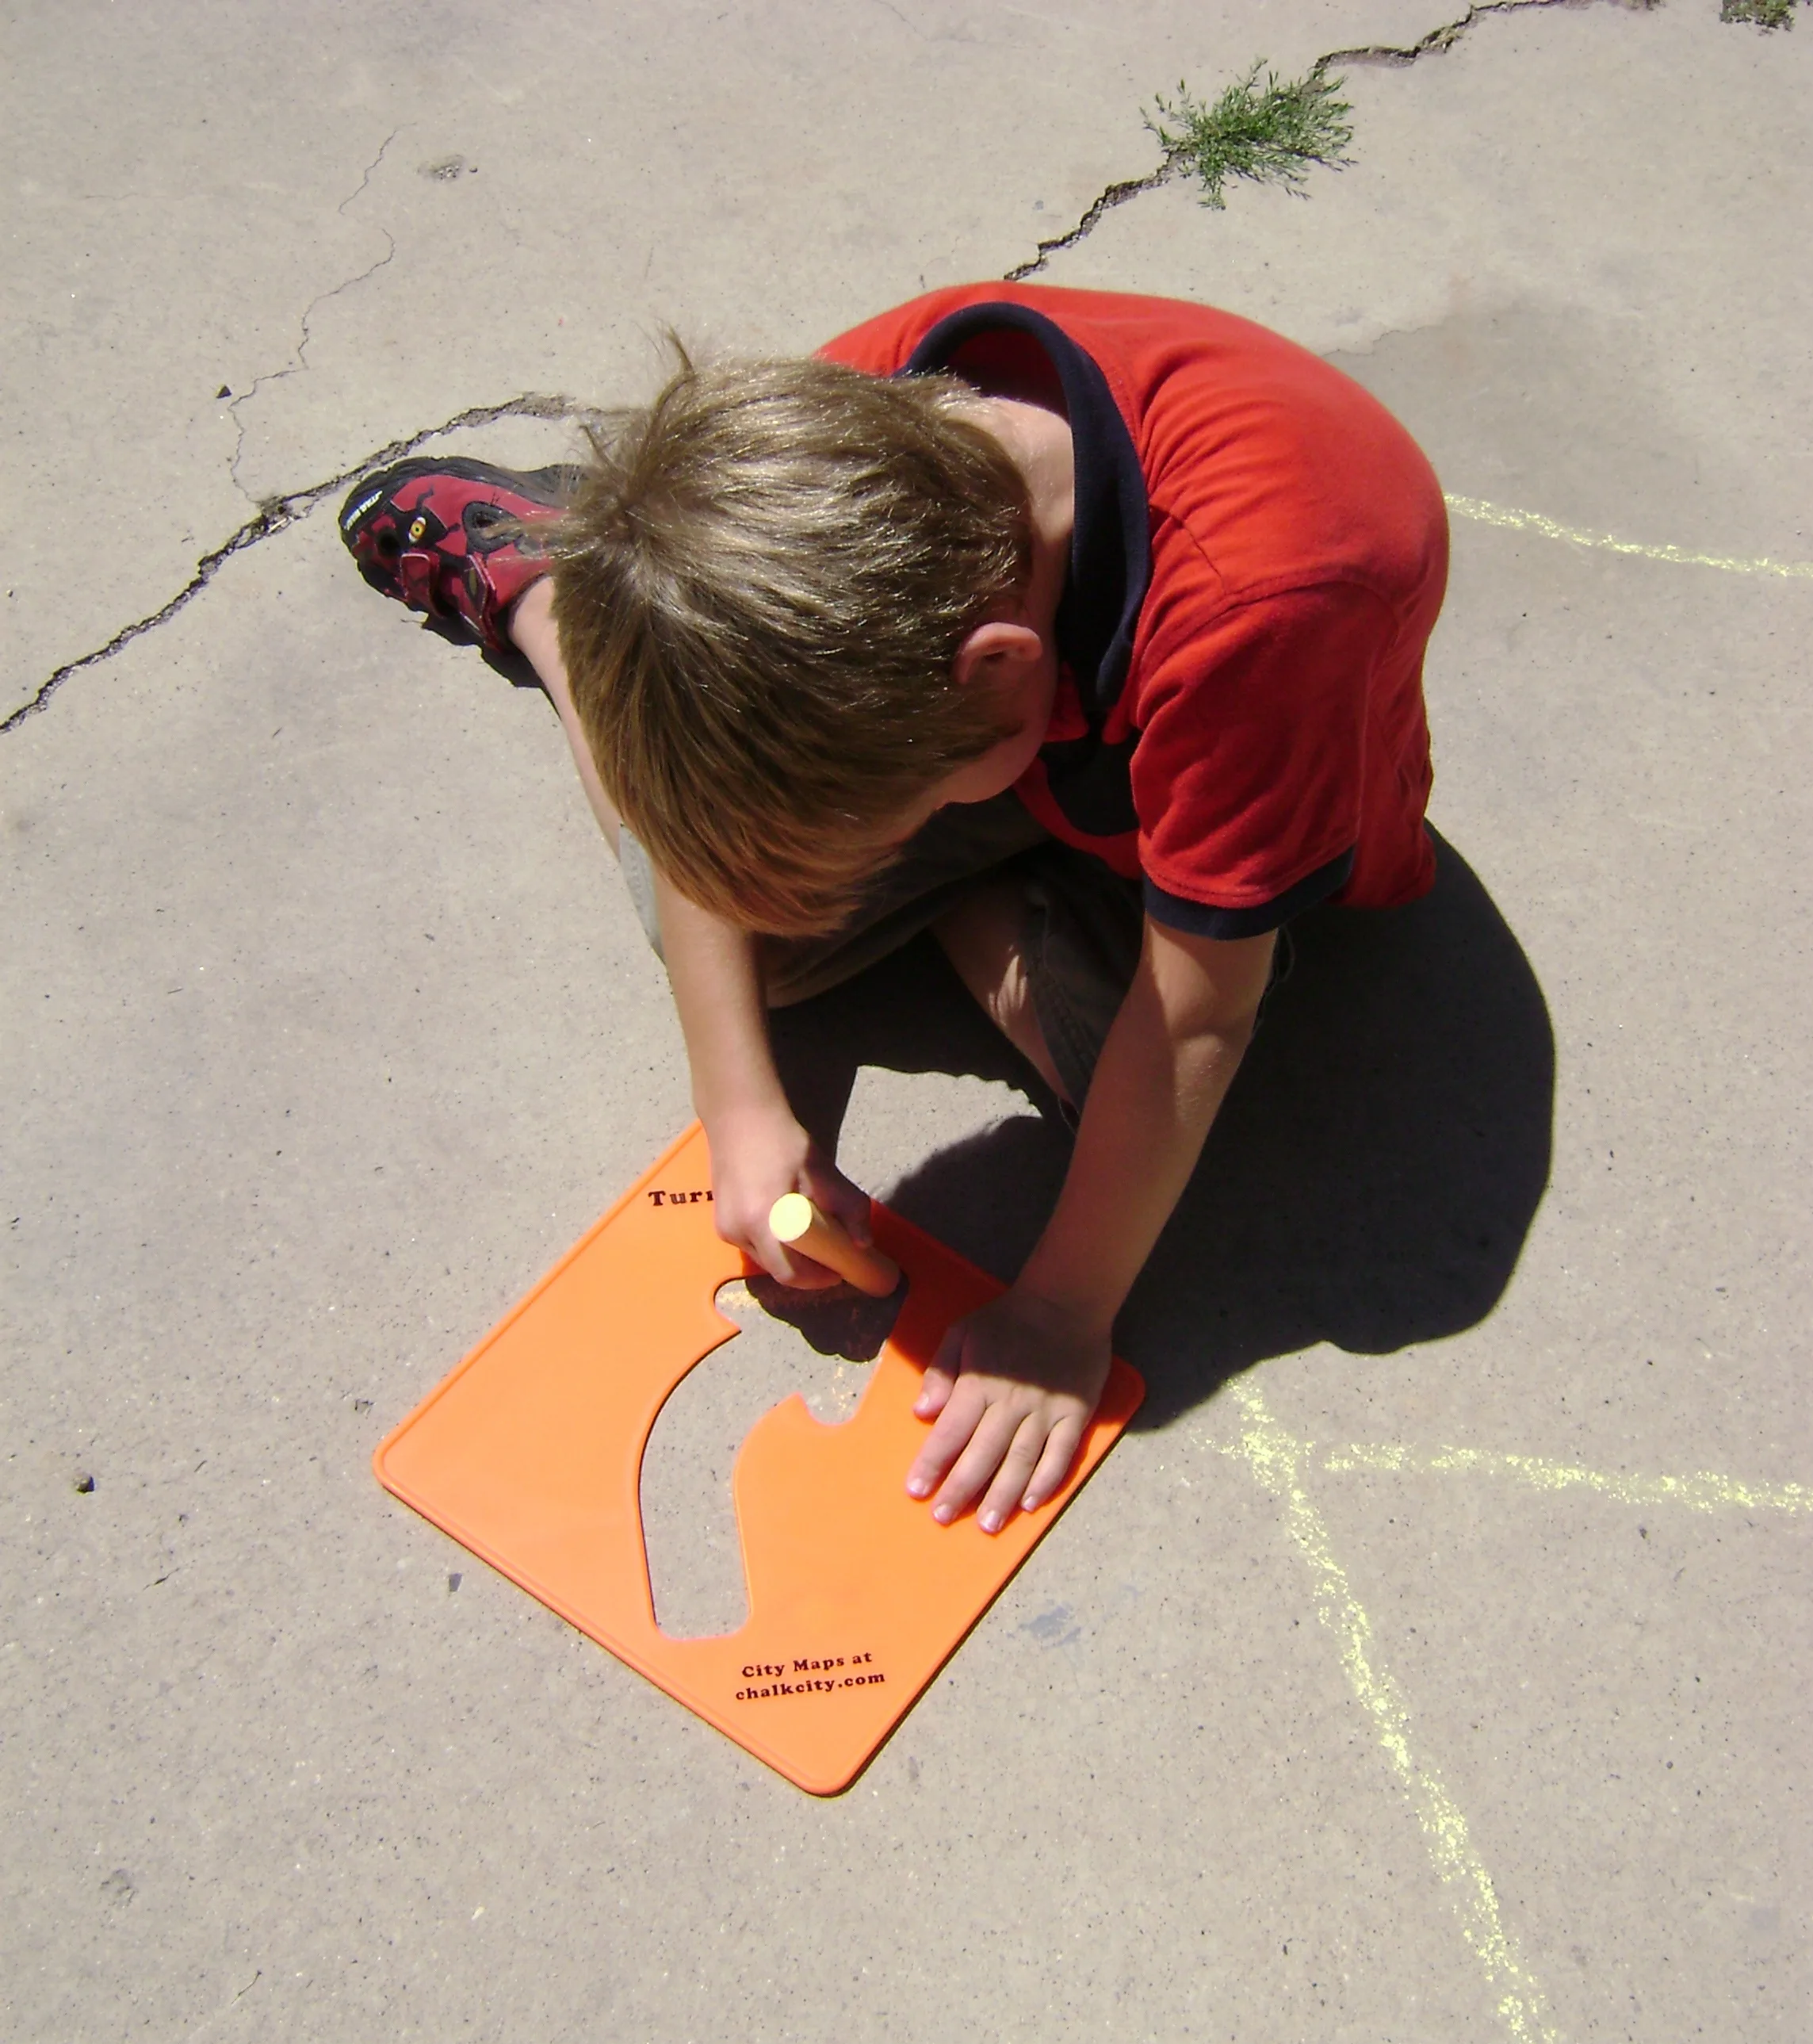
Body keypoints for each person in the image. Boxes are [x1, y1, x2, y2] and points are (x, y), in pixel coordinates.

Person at [339, 282, 1447, 1536]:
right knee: (743, 932)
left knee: (1167, 1094)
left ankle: (592, 620)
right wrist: (742, 1106)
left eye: (891, 827)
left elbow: (1196, 1026)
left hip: (1224, 729)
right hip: (1028, 740)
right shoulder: (814, 466)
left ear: (996, 675)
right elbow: (712, 823)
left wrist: (1059, 1314)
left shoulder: (1266, 610)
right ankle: (553, 598)